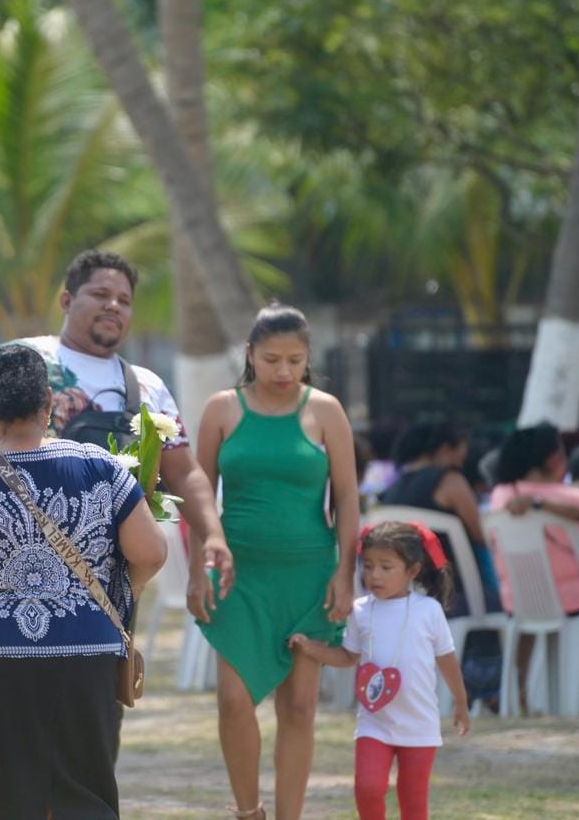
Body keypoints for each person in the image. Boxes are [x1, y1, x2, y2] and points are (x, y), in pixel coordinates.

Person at [0, 344, 168, 819]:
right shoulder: (102, 468)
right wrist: (123, 591)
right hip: (84, 659)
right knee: (77, 796)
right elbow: (150, 552)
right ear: (49, 403)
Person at [0, 249, 232, 629]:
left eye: (124, 301)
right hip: (11, 571)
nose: (113, 306)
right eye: (101, 295)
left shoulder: (149, 387)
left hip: (108, 584)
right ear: (67, 300)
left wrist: (213, 535)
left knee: (102, 688)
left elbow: (185, 473)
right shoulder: (19, 360)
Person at [194, 303, 360, 820]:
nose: (284, 371)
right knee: (232, 700)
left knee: (299, 707)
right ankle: (249, 812)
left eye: (295, 359)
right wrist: (201, 567)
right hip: (237, 575)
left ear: (308, 357)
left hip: (309, 573)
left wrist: (345, 572)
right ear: (250, 355)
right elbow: (196, 495)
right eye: (271, 359)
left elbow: (349, 499)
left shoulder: (326, 410)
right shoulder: (222, 409)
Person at [290, 522, 470, 820]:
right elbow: (348, 656)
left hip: (419, 725)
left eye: (386, 567)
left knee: (413, 804)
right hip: (375, 722)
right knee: (368, 788)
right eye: (369, 565)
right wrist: (310, 648)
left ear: (412, 571)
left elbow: (447, 659)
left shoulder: (429, 611)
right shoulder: (361, 610)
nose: (374, 575)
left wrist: (461, 703)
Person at [488, 423, 579, 709]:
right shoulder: (572, 497)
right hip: (575, 600)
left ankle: (521, 691)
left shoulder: (501, 496)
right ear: (554, 459)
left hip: (518, 600)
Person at [381, 421, 501, 616]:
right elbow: (482, 536)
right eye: (459, 460)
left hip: (404, 597)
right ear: (445, 449)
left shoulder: (391, 492)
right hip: (455, 596)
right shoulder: (449, 481)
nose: (460, 466)